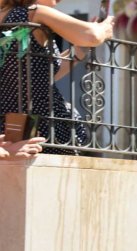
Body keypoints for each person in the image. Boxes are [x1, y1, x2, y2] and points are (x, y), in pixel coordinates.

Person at [0, 0, 115, 153]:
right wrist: (104, 27)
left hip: (8, 124)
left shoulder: (8, 16)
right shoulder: (34, 13)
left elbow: (37, 75)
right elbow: (92, 35)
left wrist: (79, 50)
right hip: (45, 125)